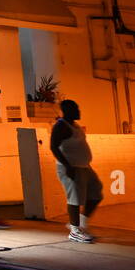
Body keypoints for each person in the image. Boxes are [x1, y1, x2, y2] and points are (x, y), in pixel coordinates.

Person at [50, 99, 102, 242]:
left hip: (84, 166)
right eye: (76, 109)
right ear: (68, 111)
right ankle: (74, 230)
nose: (79, 111)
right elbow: (53, 147)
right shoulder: (61, 126)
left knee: (96, 194)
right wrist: (67, 166)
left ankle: (81, 224)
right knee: (75, 199)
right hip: (71, 167)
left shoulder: (75, 125)